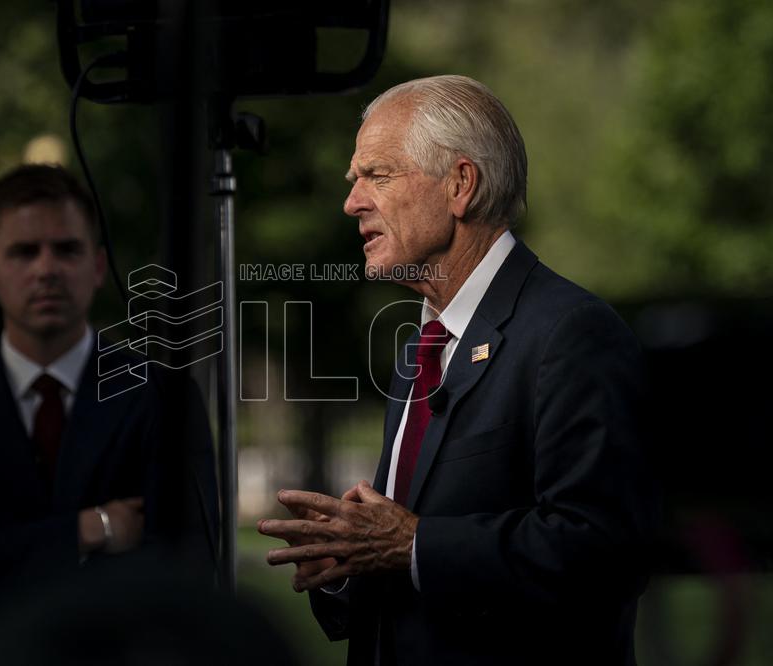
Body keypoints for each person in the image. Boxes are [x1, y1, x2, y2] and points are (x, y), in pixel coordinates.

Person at [258, 75, 656, 665]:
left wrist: (414, 543)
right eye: (354, 180)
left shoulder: (571, 333)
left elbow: (603, 552)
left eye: (378, 175)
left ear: (460, 185)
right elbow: (404, 572)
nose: (352, 202)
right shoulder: (421, 349)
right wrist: (347, 565)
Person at [0, 163, 217, 659]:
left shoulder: (161, 397)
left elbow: (184, 566)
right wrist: (93, 531)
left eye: (66, 249)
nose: (46, 269)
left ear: (99, 267)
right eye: (24, 251)